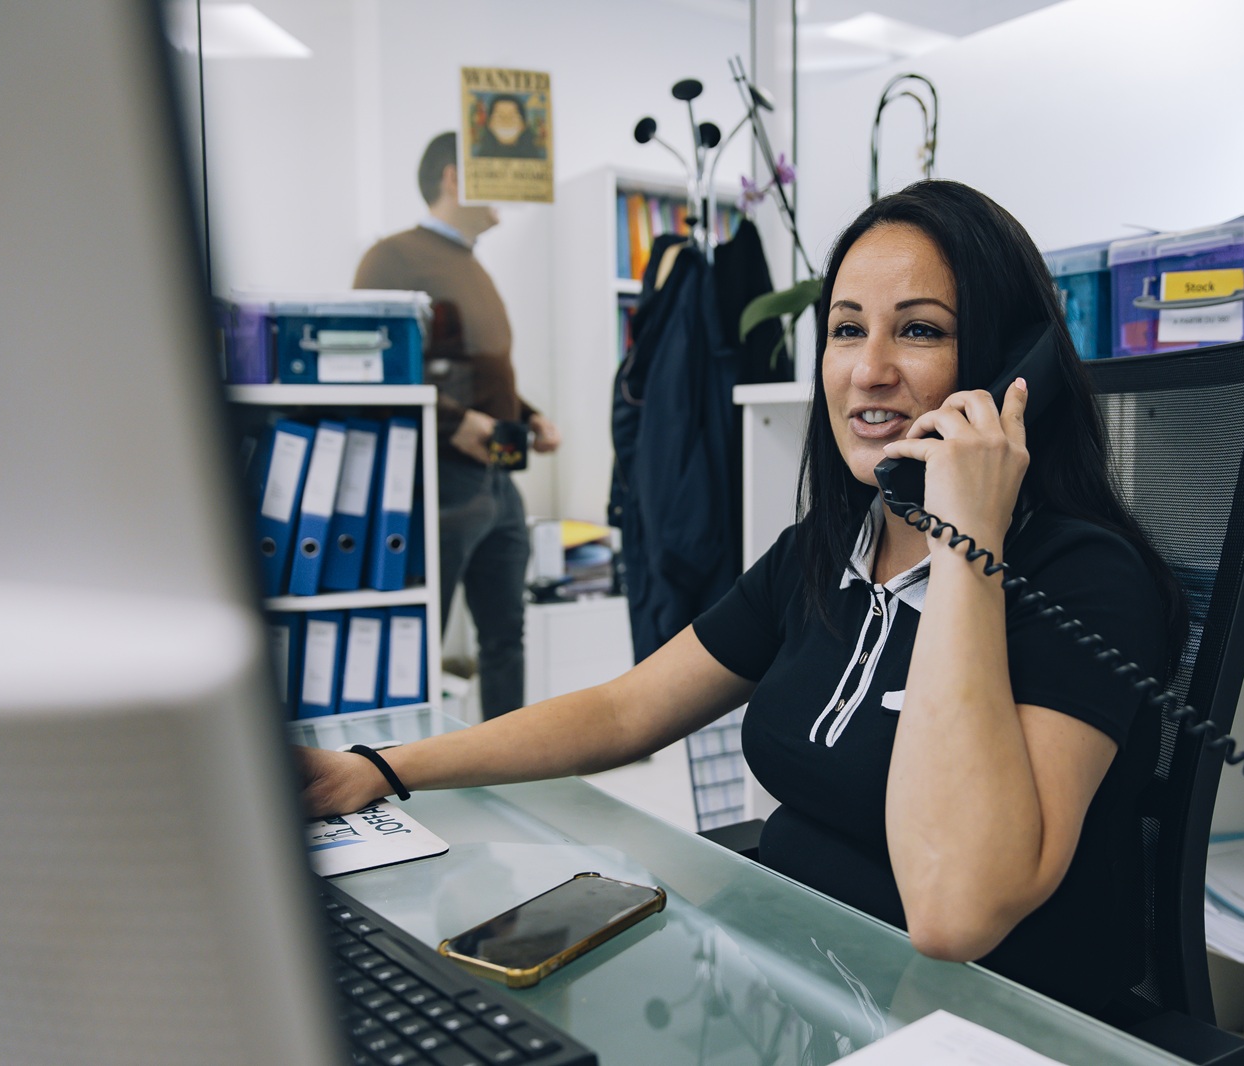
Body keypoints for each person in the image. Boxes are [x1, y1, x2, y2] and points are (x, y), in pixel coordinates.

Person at [310, 180, 1183, 1017]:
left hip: (985, 1024)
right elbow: (624, 711)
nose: (868, 370)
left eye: (918, 330)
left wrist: (968, 546)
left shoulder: (1087, 582)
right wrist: (383, 768)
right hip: (802, 979)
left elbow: (955, 913)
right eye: (846, 331)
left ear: (1006, 366)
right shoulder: (827, 550)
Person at [353, 132, 560, 717]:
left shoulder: (470, 265)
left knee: (504, 641)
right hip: (439, 481)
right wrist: (452, 424)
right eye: (489, 171)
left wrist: (528, 416)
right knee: (419, 642)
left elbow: (475, 371)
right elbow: (371, 367)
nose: (506, 186)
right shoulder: (392, 257)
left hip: (497, 481)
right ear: (453, 178)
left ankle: (505, 764)